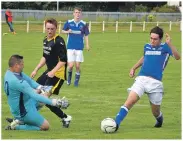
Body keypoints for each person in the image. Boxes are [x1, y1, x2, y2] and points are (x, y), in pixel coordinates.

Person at [114, 26, 180, 131]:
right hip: (141, 79)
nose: (152, 41)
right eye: (151, 38)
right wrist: (134, 68)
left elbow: (177, 57)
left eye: (155, 39)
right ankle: (115, 123)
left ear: (160, 39)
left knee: (155, 111)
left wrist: (170, 44)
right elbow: (144, 57)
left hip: (155, 83)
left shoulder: (165, 47)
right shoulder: (147, 46)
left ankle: (159, 119)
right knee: (130, 101)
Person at [4, 54, 69, 131]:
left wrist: (40, 87)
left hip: (23, 104)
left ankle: (21, 120)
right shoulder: (17, 81)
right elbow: (34, 95)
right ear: (16, 65)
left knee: (44, 96)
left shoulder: (10, 73)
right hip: (23, 110)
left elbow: (29, 80)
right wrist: (54, 102)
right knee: (45, 126)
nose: (23, 66)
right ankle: (16, 126)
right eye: (22, 64)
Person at [30, 18, 72, 128]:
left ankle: (65, 118)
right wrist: (36, 69)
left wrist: (53, 71)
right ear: (45, 28)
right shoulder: (45, 40)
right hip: (48, 72)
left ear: (56, 29)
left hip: (57, 75)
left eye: (52, 29)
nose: (50, 31)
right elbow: (45, 57)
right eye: (48, 28)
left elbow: (63, 60)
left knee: (44, 99)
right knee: (33, 93)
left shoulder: (59, 41)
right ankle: (23, 117)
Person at [62, 7, 90, 87]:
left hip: (79, 47)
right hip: (70, 47)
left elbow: (86, 35)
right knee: (70, 66)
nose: (78, 14)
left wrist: (87, 45)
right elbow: (62, 30)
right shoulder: (69, 22)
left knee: (77, 66)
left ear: (81, 14)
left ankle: (76, 82)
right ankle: (69, 80)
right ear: (73, 13)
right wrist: (67, 31)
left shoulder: (84, 24)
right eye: (76, 12)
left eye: (79, 13)